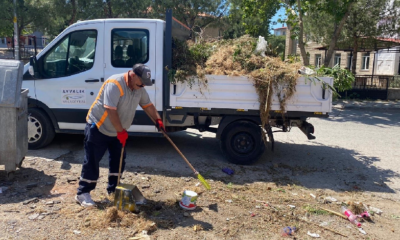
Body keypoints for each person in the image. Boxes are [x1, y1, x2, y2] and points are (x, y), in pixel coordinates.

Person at [75, 63, 165, 207]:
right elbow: (111, 110)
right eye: (141, 83)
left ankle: (114, 189)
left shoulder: (139, 88)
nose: (143, 86)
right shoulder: (115, 84)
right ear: (133, 74)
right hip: (99, 127)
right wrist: (120, 131)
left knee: (118, 161)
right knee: (92, 160)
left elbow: (147, 105)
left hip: (118, 130)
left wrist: (158, 120)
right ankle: (83, 193)